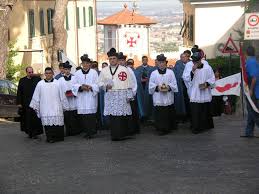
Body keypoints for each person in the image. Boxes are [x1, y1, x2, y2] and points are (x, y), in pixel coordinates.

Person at [98, 48, 134, 141]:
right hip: (110, 95)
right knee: (113, 116)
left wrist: (129, 95)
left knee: (122, 116)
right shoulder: (104, 70)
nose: (112, 60)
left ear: (117, 59)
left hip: (122, 94)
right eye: (110, 59)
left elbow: (129, 83)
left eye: (114, 58)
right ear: (108, 60)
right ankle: (114, 135)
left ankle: (122, 134)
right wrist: (106, 86)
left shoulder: (124, 69)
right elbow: (99, 83)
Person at [30, 67, 65, 143]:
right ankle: (49, 137)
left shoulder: (57, 83)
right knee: (47, 124)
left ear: (52, 74)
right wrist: (35, 105)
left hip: (56, 106)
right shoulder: (40, 84)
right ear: (45, 74)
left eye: (50, 73)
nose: (48, 74)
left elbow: (62, 95)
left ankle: (57, 137)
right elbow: (36, 96)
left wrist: (64, 105)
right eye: (47, 73)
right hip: (45, 106)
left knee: (56, 122)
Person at [184, 52, 215, 134]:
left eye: (197, 61)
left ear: (200, 60)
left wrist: (207, 84)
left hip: (205, 92)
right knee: (196, 111)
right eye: (194, 61)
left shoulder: (207, 68)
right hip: (195, 92)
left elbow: (212, 78)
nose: (195, 63)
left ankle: (205, 126)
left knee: (204, 110)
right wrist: (192, 71)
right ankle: (196, 127)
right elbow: (186, 78)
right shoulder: (190, 67)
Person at [149, 54, 178, 135]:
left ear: (166, 63)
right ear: (157, 63)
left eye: (163, 62)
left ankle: (169, 127)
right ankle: (160, 127)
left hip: (168, 96)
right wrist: (157, 88)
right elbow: (151, 85)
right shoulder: (154, 73)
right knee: (160, 113)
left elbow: (174, 83)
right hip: (158, 97)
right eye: (160, 62)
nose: (161, 64)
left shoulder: (170, 72)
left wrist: (169, 87)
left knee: (168, 111)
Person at [72, 54, 99, 139]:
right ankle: (87, 131)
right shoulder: (77, 73)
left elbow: (97, 84)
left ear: (90, 64)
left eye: (87, 63)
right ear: (82, 64)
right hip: (82, 98)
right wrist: (80, 87)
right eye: (84, 63)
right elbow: (73, 85)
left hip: (91, 97)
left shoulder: (94, 73)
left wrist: (91, 87)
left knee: (91, 116)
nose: (85, 65)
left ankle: (92, 131)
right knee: (84, 116)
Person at [17, 67, 43, 139]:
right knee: (27, 119)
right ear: (26, 72)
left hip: (35, 103)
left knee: (35, 118)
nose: (31, 73)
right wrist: (19, 103)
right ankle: (29, 132)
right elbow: (19, 92)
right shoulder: (22, 80)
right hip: (26, 103)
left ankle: (35, 133)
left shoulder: (37, 79)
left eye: (32, 72)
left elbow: (42, 87)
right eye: (29, 72)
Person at [118, 53, 139, 134]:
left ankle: (132, 130)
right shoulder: (116, 70)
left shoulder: (129, 70)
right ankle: (123, 129)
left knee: (131, 112)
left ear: (125, 61)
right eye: (119, 60)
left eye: (122, 60)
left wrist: (132, 94)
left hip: (129, 95)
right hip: (120, 95)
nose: (121, 62)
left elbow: (134, 83)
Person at [58, 61, 81, 136]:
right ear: (63, 70)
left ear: (70, 70)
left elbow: (78, 87)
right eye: (65, 69)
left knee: (74, 115)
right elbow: (59, 90)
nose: (67, 71)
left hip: (74, 99)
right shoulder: (60, 80)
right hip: (65, 100)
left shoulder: (74, 78)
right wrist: (64, 94)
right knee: (67, 116)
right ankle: (69, 131)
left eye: (68, 69)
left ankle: (76, 130)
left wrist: (74, 93)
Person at [242, 46, 259, 137]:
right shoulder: (253, 61)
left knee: (253, 112)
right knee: (251, 111)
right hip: (252, 90)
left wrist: (251, 90)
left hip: (252, 91)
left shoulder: (251, 62)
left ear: (246, 53)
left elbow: (254, 78)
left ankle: (249, 131)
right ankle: (249, 132)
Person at [135, 56, 154, 121]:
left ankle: (148, 115)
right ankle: (142, 115)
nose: (145, 61)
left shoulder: (151, 68)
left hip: (148, 86)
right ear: (142, 60)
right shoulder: (138, 68)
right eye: (143, 60)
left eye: (146, 60)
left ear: (147, 60)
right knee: (141, 101)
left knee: (148, 100)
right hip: (140, 86)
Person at [173, 53, 190, 122]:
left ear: (187, 57)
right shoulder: (178, 64)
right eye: (181, 57)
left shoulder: (191, 64)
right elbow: (175, 73)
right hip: (180, 86)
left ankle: (189, 115)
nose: (182, 58)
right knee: (181, 101)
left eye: (184, 57)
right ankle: (182, 116)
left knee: (188, 101)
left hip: (188, 86)